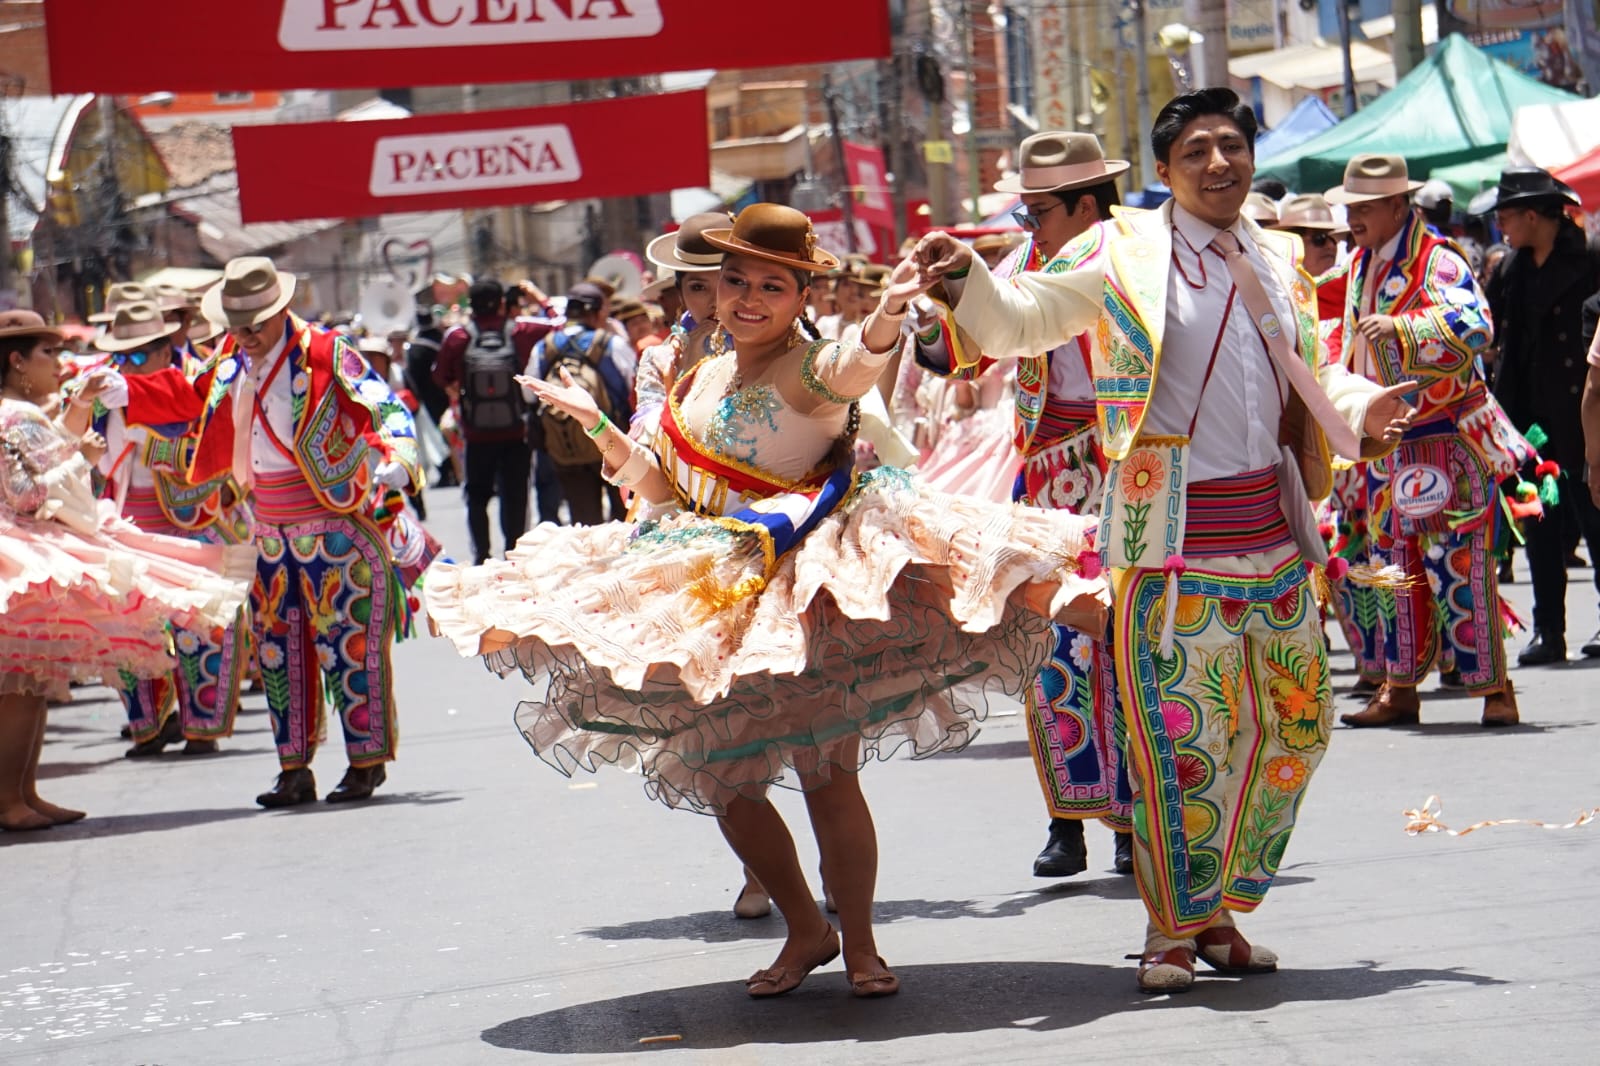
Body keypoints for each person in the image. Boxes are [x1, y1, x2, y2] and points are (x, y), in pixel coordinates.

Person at [425, 203, 1107, 1000]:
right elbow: (664, 486)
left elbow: (856, 367)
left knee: (827, 775)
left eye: (771, 286)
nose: (749, 299)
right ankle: (804, 928)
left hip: (797, 594)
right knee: (723, 780)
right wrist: (600, 428)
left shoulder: (808, 366)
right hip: (714, 591)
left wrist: (886, 316)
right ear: (714, 289)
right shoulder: (703, 372)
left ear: (798, 296)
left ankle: (860, 945)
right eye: (736, 282)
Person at [906, 89, 1415, 993]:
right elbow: (1026, 321)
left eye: (1233, 145)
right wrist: (963, 280)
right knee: (1184, 741)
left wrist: (1361, 402)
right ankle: (1173, 931)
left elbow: (1307, 367)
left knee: (1296, 728)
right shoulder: (1122, 250)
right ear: (1166, 171)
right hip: (1169, 540)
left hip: (1276, 535)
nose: (1220, 163)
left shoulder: (1280, 256)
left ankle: (1216, 904)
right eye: (1198, 152)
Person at [105, 256, 422, 807]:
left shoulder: (327, 352)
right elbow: (185, 395)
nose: (245, 336)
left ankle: (365, 762)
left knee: (347, 648)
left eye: (254, 324)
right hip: (269, 535)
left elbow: (386, 406)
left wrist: (400, 457)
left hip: (335, 530)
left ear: (280, 311)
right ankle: (293, 768)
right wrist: (131, 394)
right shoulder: (228, 360)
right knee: (278, 654)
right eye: (236, 325)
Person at [907, 131, 1134, 879]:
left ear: (1085, 204)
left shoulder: (1134, 259)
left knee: (1129, 644)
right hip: (1045, 476)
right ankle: (1067, 816)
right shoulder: (1026, 262)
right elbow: (970, 348)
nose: (1029, 224)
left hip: (1129, 470)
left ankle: (1135, 819)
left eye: (1039, 210)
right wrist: (933, 313)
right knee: (1049, 646)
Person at [1, 309, 254, 831]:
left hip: (32, 541)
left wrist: (78, 425)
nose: (57, 361)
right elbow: (27, 491)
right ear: (18, 361)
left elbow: (47, 457)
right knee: (22, 681)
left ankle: (22, 792)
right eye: (47, 352)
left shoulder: (19, 412)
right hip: (22, 545)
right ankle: (9, 798)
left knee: (32, 676)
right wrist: (82, 461)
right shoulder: (14, 415)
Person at [1326, 155, 1527, 729]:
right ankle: (1400, 688)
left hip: (1444, 440)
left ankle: (1496, 690)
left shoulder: (1436, 258)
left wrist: (1406, 329)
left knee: (1459, 565)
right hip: (1390, 446)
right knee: (1396, 568)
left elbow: (1476, 324)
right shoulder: (1363, 263)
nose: (1353, 218)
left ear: (1397, 206)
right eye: (1350, 208)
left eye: (1364, 207)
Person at [92, 302, 253, 758]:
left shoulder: (196, 384)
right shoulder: (105, 391)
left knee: (199, 624)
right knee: (128, 627)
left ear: (165, 350)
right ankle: (147, 724)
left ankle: (202, 723)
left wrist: (142, 416)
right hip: (125, 522)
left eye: (140, 355)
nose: (127, 366)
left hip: (186, 522)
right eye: (121, 356)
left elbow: (210, 446)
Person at [1484, 168, 1600, 664]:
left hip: (1583, 412)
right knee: (1540, 523)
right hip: (1529, 419)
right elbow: (1492, 331)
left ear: (1533, 215)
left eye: (1506, 217)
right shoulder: (1511, 269)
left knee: (1596, 519)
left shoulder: (1590, 259)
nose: (1501, 228)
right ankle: (1548, 630)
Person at [434, 279, 550, 563]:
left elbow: (439, 376)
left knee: (476, 496)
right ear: (502, 303)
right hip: (516, 433)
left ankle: (482, 556)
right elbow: (561, 324)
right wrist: (539, 299)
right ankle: (514, 553)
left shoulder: (458, 336)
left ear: (470, 305)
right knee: (516, 495)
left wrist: (457, 385)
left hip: (476, 434)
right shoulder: (521, 331)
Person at [524, 282, 635, 525]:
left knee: (585, 523)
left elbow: (529, 396)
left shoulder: (545, 346)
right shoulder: (610, 344)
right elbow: (633, 389)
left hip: (566, 447)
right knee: (624, 518)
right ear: (597, 312)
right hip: (612, 442)